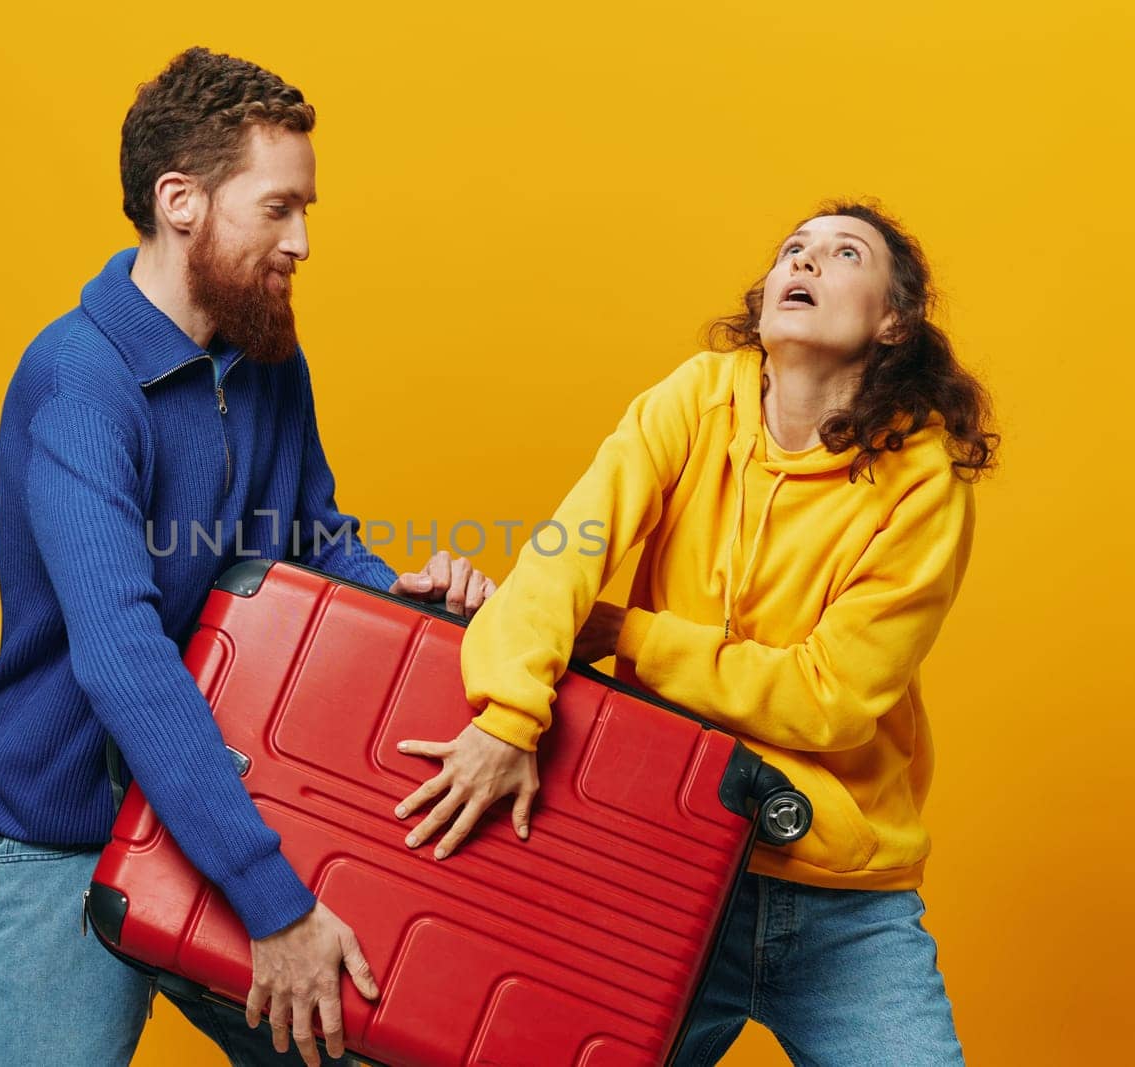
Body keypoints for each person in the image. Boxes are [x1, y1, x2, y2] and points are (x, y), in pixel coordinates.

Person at [0, 47, 493, 1067]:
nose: (301, 240)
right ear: (182, 202)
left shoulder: (265, 356)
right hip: (71, 843)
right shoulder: (80, 382)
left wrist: (410, 599)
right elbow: (121, 652)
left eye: (307, 209)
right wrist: (273, 900)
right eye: (277, 207)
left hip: (236, 810)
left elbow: (313, 542)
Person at [394, 202, 996, 1063]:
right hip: (660, 864)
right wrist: (506, 713)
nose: (807, 262)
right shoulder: (698, 395)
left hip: (837, 898)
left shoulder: (923, 484)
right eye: (795, 249)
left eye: (843, 253)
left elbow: (827, 702)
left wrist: (632, 634)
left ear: (894, 320)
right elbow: (567, 549)